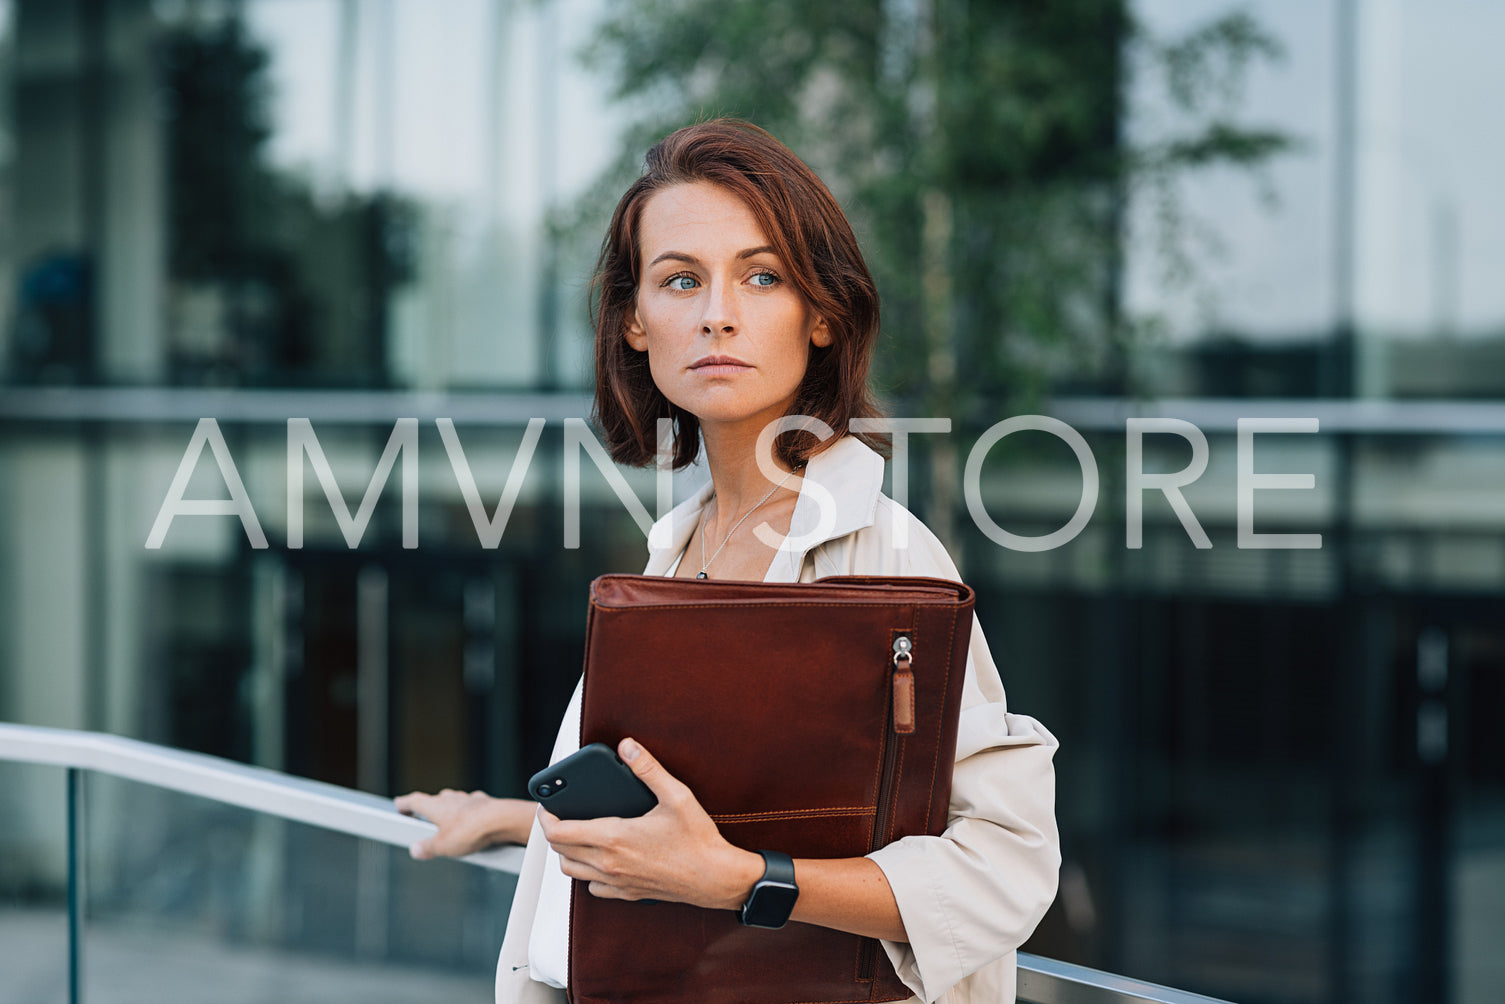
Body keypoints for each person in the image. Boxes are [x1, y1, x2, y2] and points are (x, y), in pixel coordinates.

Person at [395, 118, 1060, 1004]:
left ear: (820, 316)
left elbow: (1003, 864)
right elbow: (723, 806)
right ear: (634, 324)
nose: (718, 312)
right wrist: (516, 820)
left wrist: (746, 880)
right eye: (680, 280)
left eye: (761, 275)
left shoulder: (881, 550)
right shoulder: (677, 547)